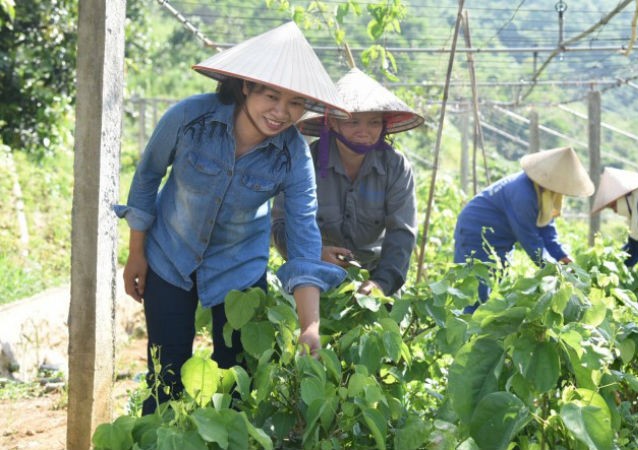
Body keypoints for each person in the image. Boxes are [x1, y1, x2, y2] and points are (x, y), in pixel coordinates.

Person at [113, 22, 349, 415]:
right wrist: (136, 253)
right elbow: (147, 177)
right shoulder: (189, 118)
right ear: (245, 86)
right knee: (165, 380)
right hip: (169, 257)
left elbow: (303, 234)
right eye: (271, 95)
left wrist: (310, 326)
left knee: (234, 384)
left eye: (295, 102)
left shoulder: (293, 157)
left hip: (240, 272)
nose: (281, 112)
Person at [271, 67, 424, 297]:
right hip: (313, 270)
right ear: (332, 122)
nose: (365, 131)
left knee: (384, 325)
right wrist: (316, 252)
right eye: (354, 122)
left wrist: (381, 284)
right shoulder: (305, 162)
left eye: (373, 123)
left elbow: (401, 235)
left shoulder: (395, 167)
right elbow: (281, 224)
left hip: (373, 273)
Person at [454, 146, 595, 313]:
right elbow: (530, 239)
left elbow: (547, 230)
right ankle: (468, 333)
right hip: (476, 233)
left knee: (495, 286)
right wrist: (554, 270)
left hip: (501, 239)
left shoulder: (544, 195)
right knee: (477, 291)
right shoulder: (524, 194)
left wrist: (563, 256)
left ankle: (481, 331)